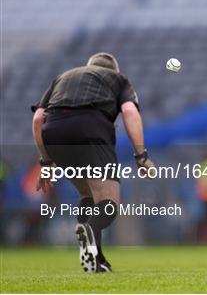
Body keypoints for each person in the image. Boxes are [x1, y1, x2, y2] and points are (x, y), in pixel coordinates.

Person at [31, 52, 155, 273]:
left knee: (88, 195)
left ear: (89, 66)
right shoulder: (118, 79)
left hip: (55, 132)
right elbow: (129, 111)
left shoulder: (63, 77)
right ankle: (88, 227)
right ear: (112, 70)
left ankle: (96, 259)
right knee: (109, 203)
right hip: (91, 128)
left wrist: (46, 162)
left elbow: (38, 118)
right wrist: (141, 156)